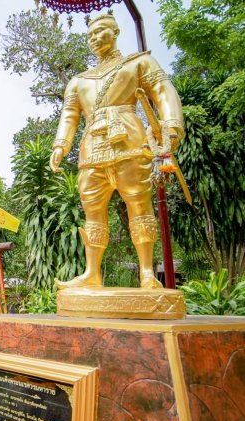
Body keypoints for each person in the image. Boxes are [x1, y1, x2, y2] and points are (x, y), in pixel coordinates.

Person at [50, 13, 184, 289]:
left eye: (100, 31)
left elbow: (163, 91)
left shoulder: (138, 63)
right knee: (93, 211)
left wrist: (171, 126)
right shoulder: (78, 81)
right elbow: (69, 115)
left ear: (115, 31)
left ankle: (147, 272)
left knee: (139, 204)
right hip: (91, 149)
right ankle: (91, 272)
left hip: (130, 143)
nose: (94, 38)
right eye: (90, 35)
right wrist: (60, 145)